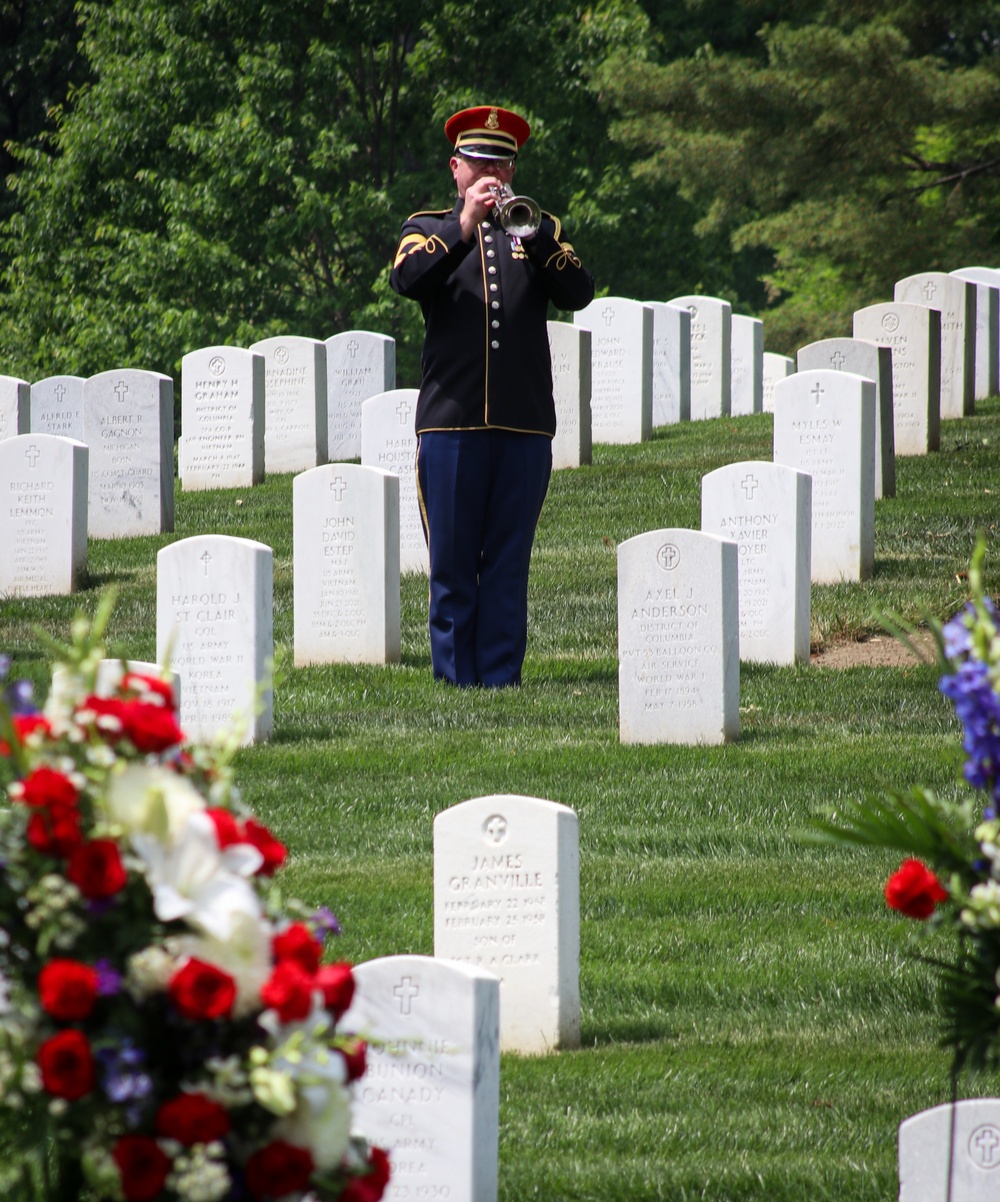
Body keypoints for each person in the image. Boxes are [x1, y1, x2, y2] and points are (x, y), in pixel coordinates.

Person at [389, 104, 595, 687]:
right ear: (456, 168)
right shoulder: (426, 229)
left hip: (525, 425)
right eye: (480, 162)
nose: (492, 174)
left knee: (507, 563)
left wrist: (531, 236)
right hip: (450, 425)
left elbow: (579, 292)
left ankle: (501, 676)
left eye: (502, 163)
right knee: (453, 564)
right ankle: (456, 679)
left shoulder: (539, 228)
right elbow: (406, 280)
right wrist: (464, 225)